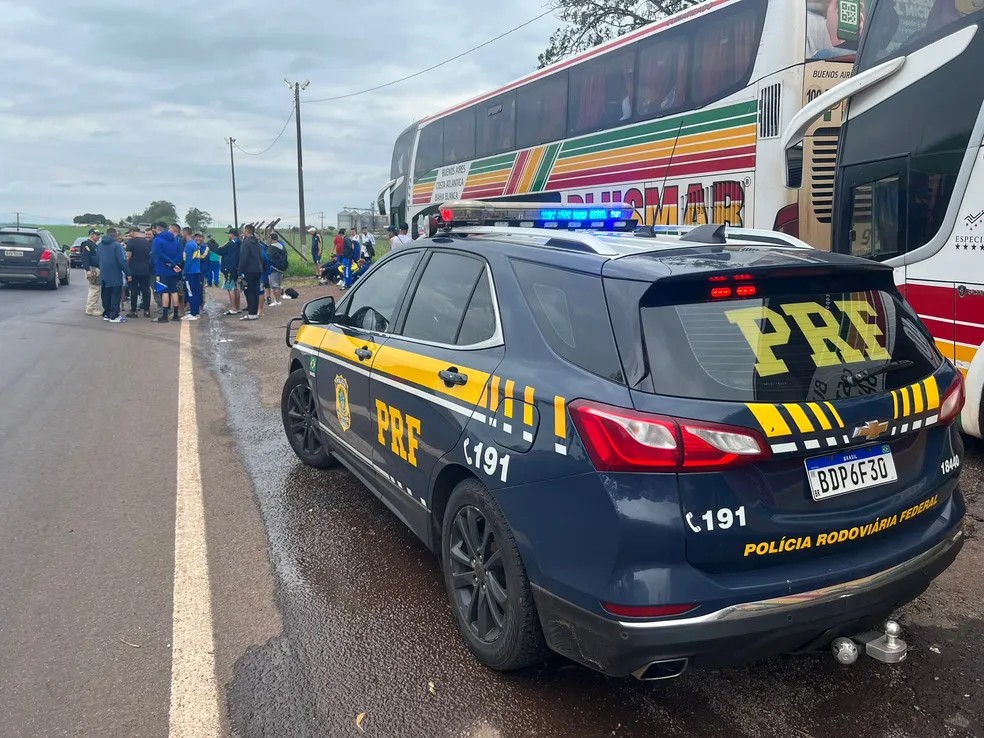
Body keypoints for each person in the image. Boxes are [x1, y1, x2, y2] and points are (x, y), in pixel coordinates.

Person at [96, 229, 131, 323]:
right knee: (115, 295)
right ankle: (114, 315)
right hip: (115, 274)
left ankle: (107, 314)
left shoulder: (99, 245)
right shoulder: (117, 245)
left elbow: (97, 259)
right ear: (115, 236)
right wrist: (128, 273)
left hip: (103, 274)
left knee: (105, 295)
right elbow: (122, 261)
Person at [151, 221, 182, 323]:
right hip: (173, 269)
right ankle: (176, 314)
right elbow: (180, 253)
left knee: (164, 292)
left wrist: (169, 263)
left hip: (162, 269)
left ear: (158, 229)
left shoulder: (157, 240)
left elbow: (159, 254)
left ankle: (164, 315)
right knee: (174, 291)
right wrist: (174, 264)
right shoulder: (176, 240)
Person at [211, 228, 242, 315]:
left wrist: (213, 246)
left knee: (230, 288)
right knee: (236, 288)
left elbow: (219, 251)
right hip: (237, 268)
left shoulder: (230, 244)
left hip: (229, 268)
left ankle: (233, 308)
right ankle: (238, 307)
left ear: (232, 234)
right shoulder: (240, 243)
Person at [125, 226, 152, 318]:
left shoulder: (131, 242)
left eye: (130, 233)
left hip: (134, 270)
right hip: (146, 270)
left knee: (134, 291)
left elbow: (128, 257)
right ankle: (147, 310)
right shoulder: (147, 243)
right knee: (146, 291)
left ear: (133, 232)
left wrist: (126, 269)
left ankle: (134, 311)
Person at [238, 224, 263, 321]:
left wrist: (240, 271)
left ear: (247, 231)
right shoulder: (257, 242)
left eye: (244, 230)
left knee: (249, 291)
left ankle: (251, 313)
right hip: (258, 269)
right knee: (256, 291)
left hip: (248, 270)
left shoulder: (246, 243)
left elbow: (243, 257)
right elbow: (260, 256)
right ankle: (254, 312)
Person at [181, 231, 207, 321]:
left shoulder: (189, 245)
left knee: (191, 292)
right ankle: (195, 312)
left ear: (185, 233)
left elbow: (188, 260)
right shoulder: (195, 244)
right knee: (195, 292)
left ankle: (193, 313)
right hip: (196, 270)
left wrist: (185, 272)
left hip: (191, 272)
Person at [81, 228, 103, 316]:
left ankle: (92, 308)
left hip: (95, 268)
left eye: (99, 235)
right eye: (97, 235)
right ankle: (90, 309)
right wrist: (88, 270)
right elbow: (85, 258)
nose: (98, 237)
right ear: (91, 234)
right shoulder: (87, 245)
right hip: (92, 269)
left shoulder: (93, 245)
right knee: (94, 288)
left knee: (95, 288)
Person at [267, 231, 288, 306]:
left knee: (274, 285)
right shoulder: (282, 246)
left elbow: (268, 258)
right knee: (279, 285)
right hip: (281, 268)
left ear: (271, 238)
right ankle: (278, 300)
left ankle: (277, 301)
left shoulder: (271, 248)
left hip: (274, 268)